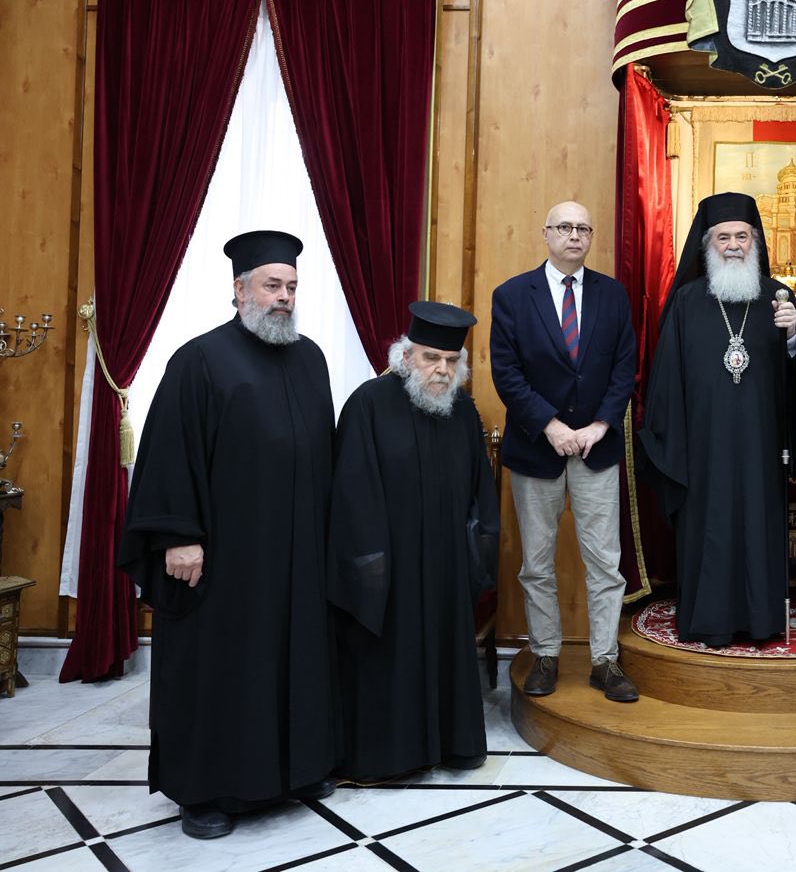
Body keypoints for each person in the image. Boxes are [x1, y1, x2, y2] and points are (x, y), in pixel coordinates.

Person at [116, 230, 338, 839]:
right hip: (222, 558)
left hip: (296, 554)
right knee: (218, 668)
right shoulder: (199, 360)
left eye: (291, 287)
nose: (284, 297)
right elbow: (169, 455)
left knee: (294, 658)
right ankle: (205, 792)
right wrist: (178, 535)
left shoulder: (311, 358)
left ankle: (297, 770)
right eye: (272, 286)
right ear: (239, 290)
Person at [638, 192, 796, 646]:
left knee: (758, 526)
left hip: (761, 444)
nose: (734, 245)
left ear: (755, 241)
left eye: (742, 236)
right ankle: (709, 620)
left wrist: (793, 335)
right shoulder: (686, 302)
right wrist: (675, 443)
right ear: (708, 245)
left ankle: (761, 620)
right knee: (709, 527)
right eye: (724, 237)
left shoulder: (778, 299)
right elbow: (666, 382)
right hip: (703, 447)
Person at [328, 301, 500, 780]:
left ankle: (450, 744)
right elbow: (351, 493)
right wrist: (371, 569)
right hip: (391, 569)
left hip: (446, 566)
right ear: (406, 357)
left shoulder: (462, 411)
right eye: (431, 358)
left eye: (451, 361)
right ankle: (391, 756)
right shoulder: (368, 404)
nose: (442, 370)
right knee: (390, 657)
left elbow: (480, 496)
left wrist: (476, 558)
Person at [491, 201, 640, 702]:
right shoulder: (512, 295)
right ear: (546, 233)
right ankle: (545, 655)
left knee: (605, 565)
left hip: (597, 448)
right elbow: (507, 373)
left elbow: (624, 367)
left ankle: (605, 661)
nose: (574, 235)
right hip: (538, 449)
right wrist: (550, 425)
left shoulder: (612, 295)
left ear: (590, 237)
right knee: (536, 563)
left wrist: (601, 424)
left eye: (583, 228)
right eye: (564, 227)